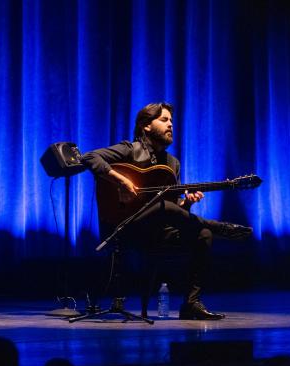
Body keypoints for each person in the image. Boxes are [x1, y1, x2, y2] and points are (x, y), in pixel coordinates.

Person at [81, 101, 252, 320]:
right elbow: (88, 157)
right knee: (163, 207)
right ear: (146, 126)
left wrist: (188, 203)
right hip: (124, 227)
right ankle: (218, 226)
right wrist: (121, 180)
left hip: (157, 231)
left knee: (203, 234)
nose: (170, 124)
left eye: (171, 120)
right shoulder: (130, 150)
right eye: (164, 120)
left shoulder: (172, 163)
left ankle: (191, 304)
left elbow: (174, 206)